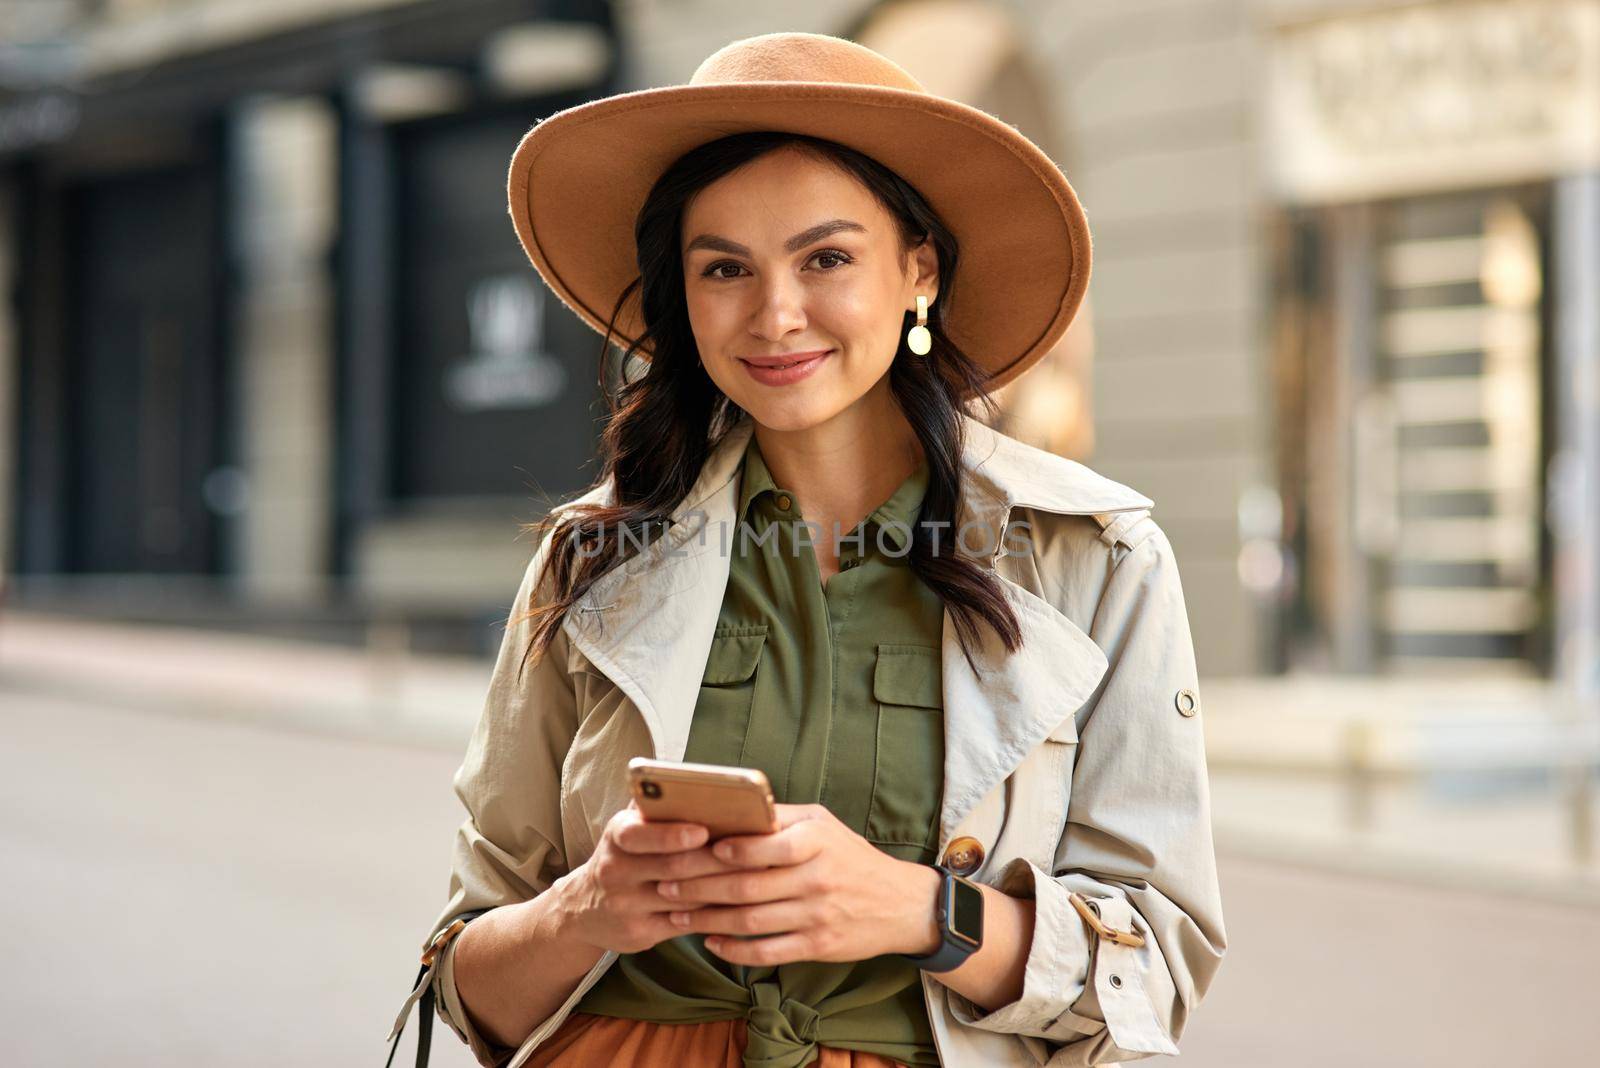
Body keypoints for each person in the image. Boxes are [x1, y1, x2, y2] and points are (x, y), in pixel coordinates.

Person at [386, 30, 1226, 1068]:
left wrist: (923, 912)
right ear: (680, 298)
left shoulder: (1099, 561)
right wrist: (588, 908)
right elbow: (467, 986)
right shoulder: (588, 560)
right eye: (724, 268)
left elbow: (1155, 978)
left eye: (825, 258)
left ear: (917, 271)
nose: (775, 315)